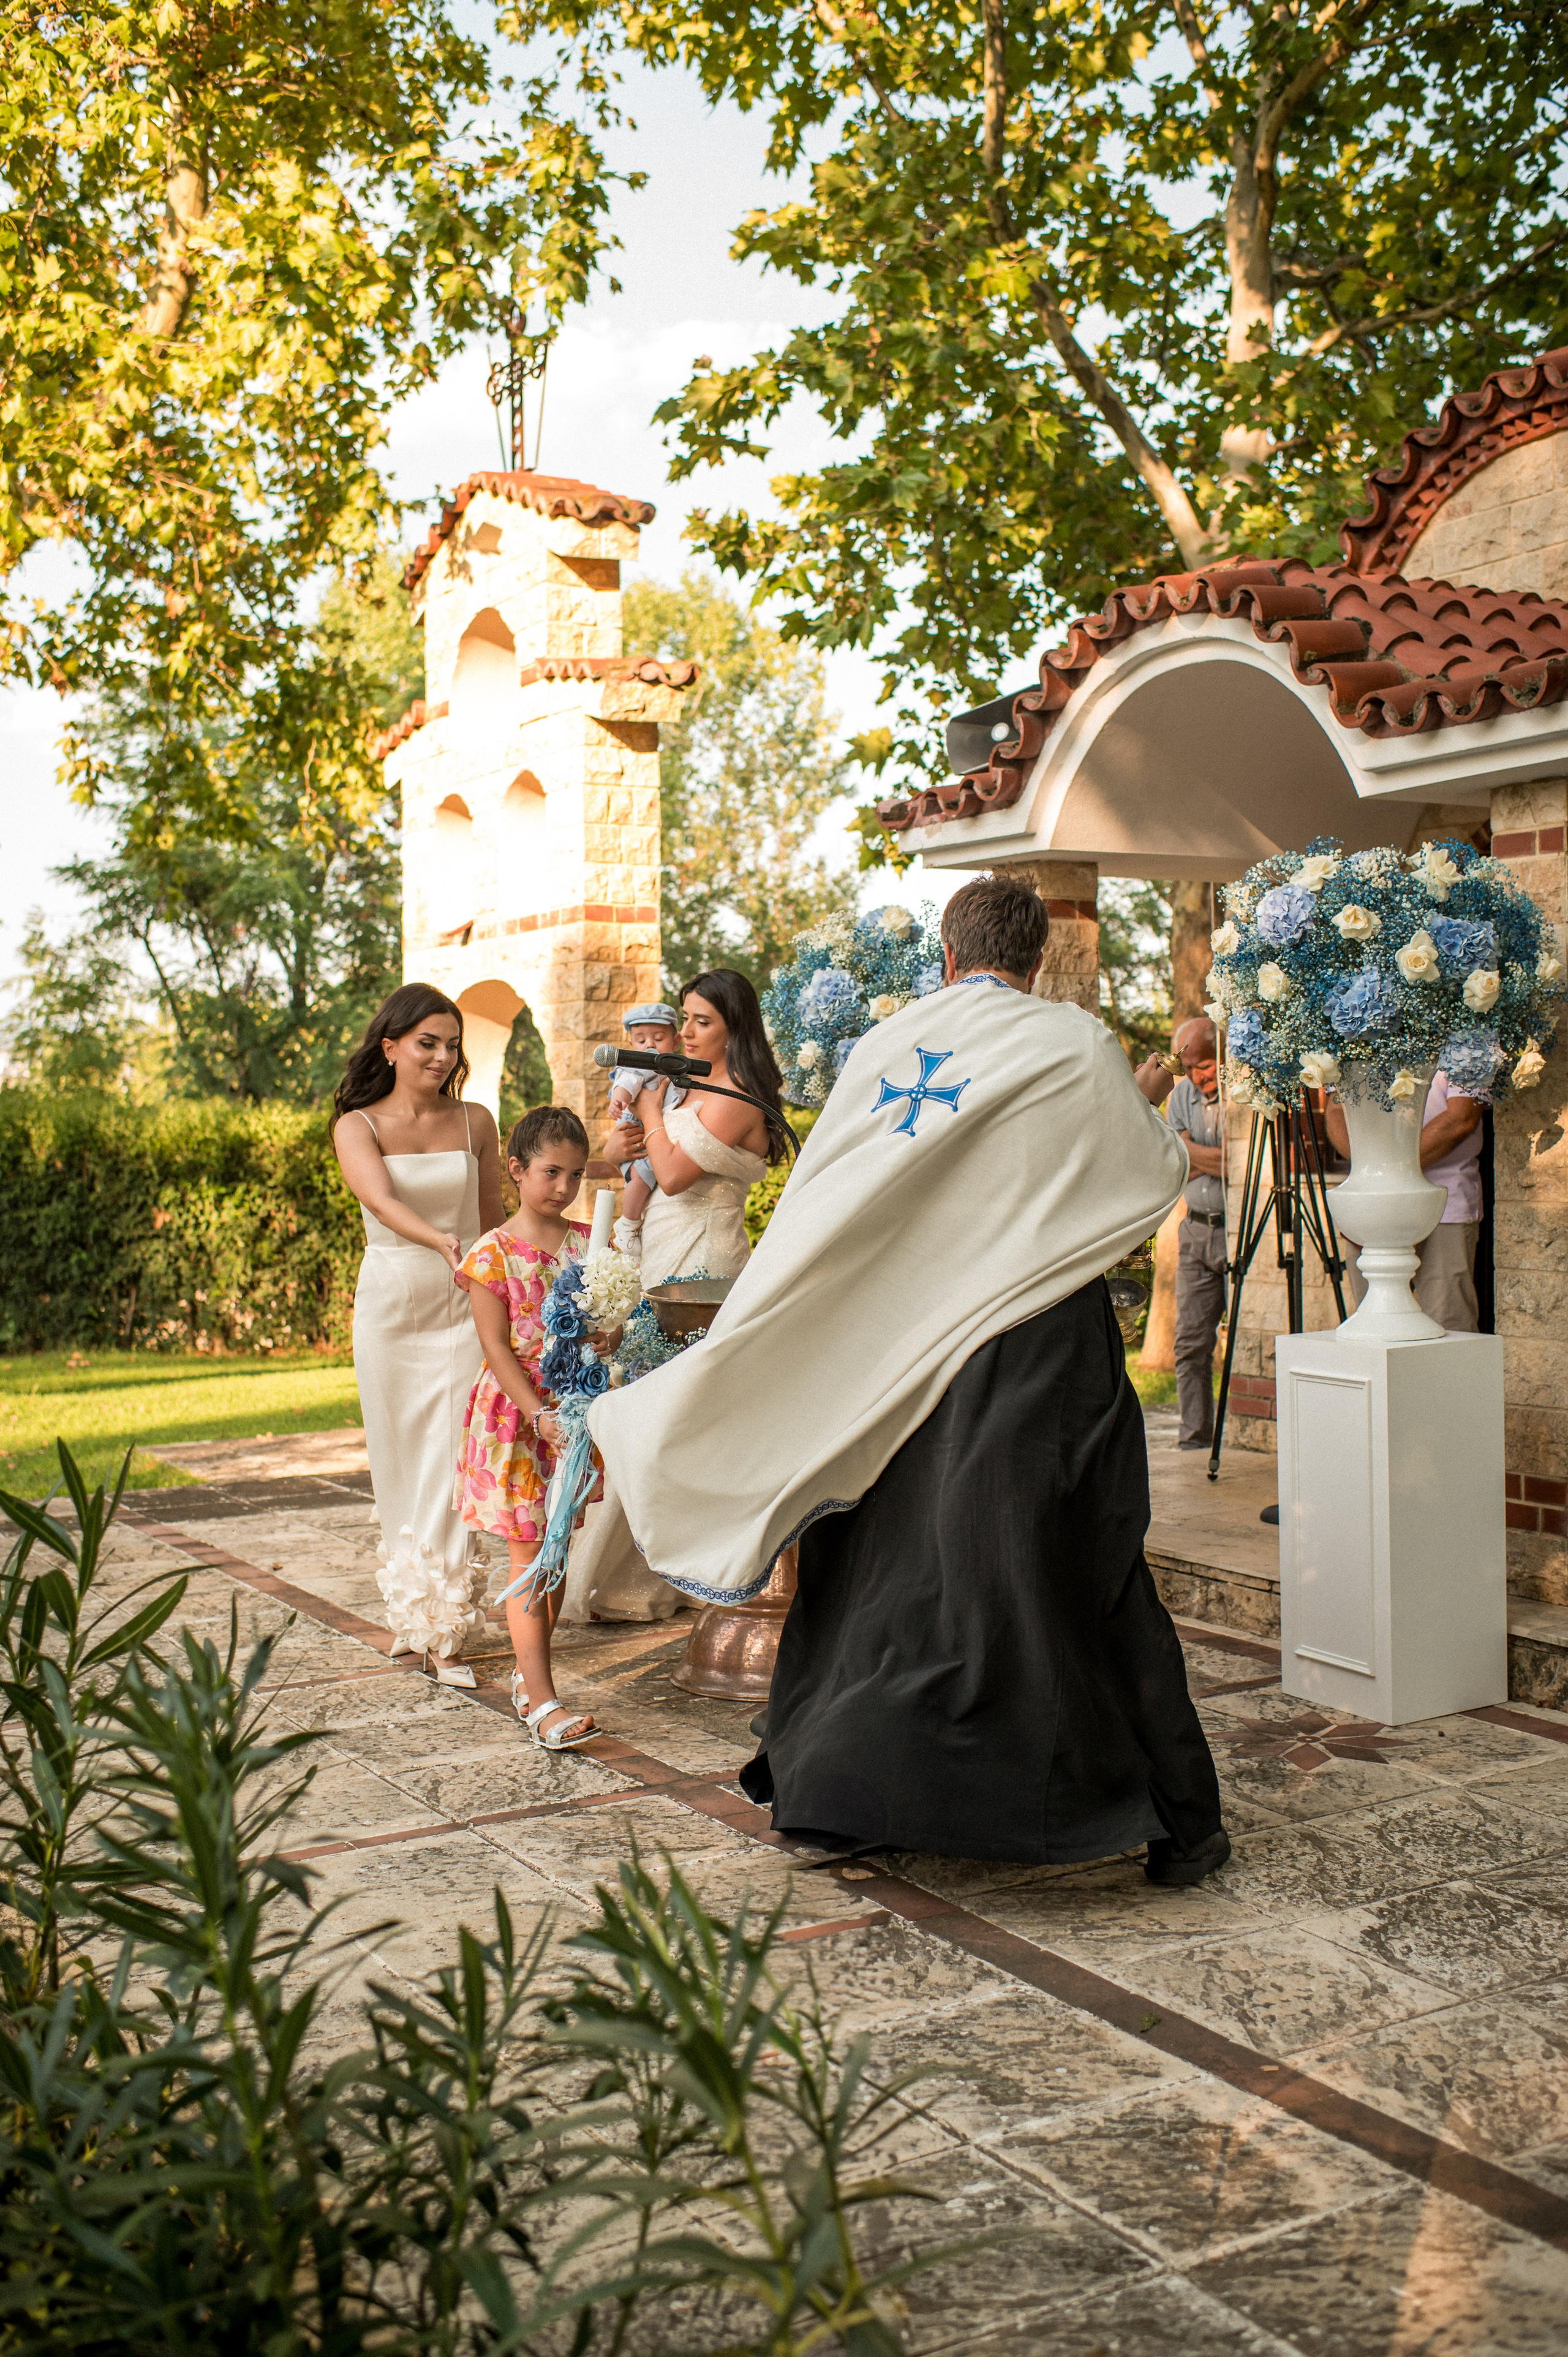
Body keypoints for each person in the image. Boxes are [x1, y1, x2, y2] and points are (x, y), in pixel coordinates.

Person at [589, 875, 1229, 1884]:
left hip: (900, 1344)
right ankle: (1184, 1820)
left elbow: (827, 1201)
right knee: (1075, 1561)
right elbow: (1148, 1170)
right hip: (1039, 1343)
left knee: (875, 1564)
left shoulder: (892, 1046)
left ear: (945, 953)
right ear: (1039, 959)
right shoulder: (1073, 1044)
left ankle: (846, 1800)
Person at [333, 984, 502, 1680]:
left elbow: (493, 1220)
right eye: (427, 1041)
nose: (441, 1055)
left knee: (452, 1458)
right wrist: (437, 1237)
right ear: (391, 1045)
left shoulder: (477, 1121)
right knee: (399, 1461)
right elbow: (378, 1196)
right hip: (393, 1301)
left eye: (451, 1043)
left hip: (463, 1300)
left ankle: (447, 1627)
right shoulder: (357, 1125)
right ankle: (412, 1610)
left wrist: (507, 1284)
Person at [454, 1106, 619, 1750]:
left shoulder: (589, 1245)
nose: (563, 1186)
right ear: (518, 1169)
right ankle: (544, 1702)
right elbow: (495, 1346)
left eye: (575, 1175)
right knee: (530, 1556)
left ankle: (529, 1678)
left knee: (555, 1556)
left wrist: (605, 1336)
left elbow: (606, 1327)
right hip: (518, 1416)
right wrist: (537, 1413)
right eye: (551, 1171)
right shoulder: (491, 1254)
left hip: (572, 1412)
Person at [616, 968, 790, 1286]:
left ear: (735, 1029)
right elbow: (648, 1153)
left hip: (702, 1252)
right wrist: (616, 1151)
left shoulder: (736, 1094)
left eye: (703, 1022)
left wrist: (649, 1111)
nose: (686, 1033)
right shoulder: (684, 1080)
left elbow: (671, 1178)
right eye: (685, 1018)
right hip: (659, 1238)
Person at [1325, 1072, 1485, 1331]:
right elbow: (1336, 1111)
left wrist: (1385, 1169)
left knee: (1448, 1324)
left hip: (1445, 1204)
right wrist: (1369, 1172)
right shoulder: (1357, 1034)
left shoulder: (1468, 1043)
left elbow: (1461, 1119)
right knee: (1372, 1326)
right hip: (1372, 1202)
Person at [1165, 1018, 1228, 1450]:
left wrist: (1194, 1151)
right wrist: (1209, 1156)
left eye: (1204, 1066)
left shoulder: (1240, 1099)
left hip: (1236, 1232)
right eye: (1188, 1069)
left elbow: (1239, 1163)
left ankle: (1231, 1435)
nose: (1197, 1077)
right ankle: (1194, 1437)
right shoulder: (1181, 1096)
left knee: (1237, 1339)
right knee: (1190, 1342)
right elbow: (1177, 1153)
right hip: (1194, 1229)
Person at [605, 1003, 687, 1249]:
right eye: (641, 1041)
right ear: (631, 1046)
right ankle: (628, 1223)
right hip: (639, 1132)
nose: (649, 1046)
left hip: (658, 1137)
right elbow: (627, 1083)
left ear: (676, 1042)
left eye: (658, 1038)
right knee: (641, 1177)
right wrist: (619, 1100)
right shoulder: (640, 1065)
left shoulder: (679, 1070)